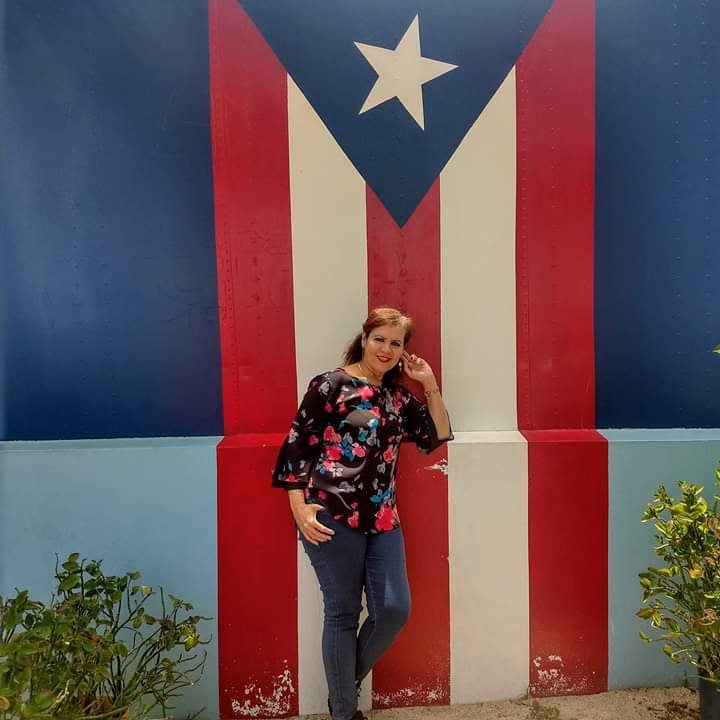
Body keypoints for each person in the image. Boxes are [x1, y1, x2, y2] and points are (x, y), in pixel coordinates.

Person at [272, 307, 453, 720]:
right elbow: (298, 446)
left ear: (404, 350)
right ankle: (344, 711)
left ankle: (342, 686)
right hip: (331, 515)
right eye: (380, 339)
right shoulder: (331, 385)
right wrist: (300, 509)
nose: (386, 349)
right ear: (365, 338)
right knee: (342, 613)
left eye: (396, 343)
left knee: (394, 610)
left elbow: (437, 435)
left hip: (383, 518)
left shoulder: (398, 398)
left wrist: (429, 384)